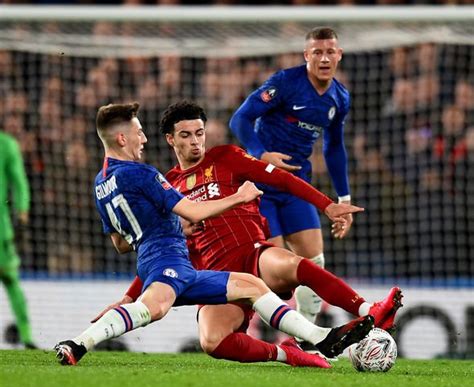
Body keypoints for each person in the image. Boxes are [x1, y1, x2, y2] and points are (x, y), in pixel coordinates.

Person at [55, 102, 374, 367]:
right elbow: (193, 211)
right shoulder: (147, 175)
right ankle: (80, 343)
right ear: (123, 138)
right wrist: (239, 196)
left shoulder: (100, 183)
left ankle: (313, 341)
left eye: (199, 133)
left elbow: (121, 243)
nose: (144, 140)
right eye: (139, 133)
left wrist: (163, 227)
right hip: (169, 262)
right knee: (153, 309)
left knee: (252, 286)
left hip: (175, 264)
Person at [229, 27, 354, 328]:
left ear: (339, 55)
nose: (324, 58)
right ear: (306, 56)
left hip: (296, 188)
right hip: (261, 187)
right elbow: (240, 119)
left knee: (316, 263)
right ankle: (240, 322)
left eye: (330, 52)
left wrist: (344, 198)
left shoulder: (339, 97)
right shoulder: (285, 83)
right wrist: (260, 153)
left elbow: (334, 147)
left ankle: (307, 338)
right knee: (275, 273)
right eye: (317, 52)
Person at [0, 129, 36, 349]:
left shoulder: (6, 145)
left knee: (11, 280)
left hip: (2, 231)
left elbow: (19, 183)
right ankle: (26, 336)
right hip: (2, 231)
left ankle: (26, 335)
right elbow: (20, 183)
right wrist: (22, 216)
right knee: (11, 281)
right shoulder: (7, 145)